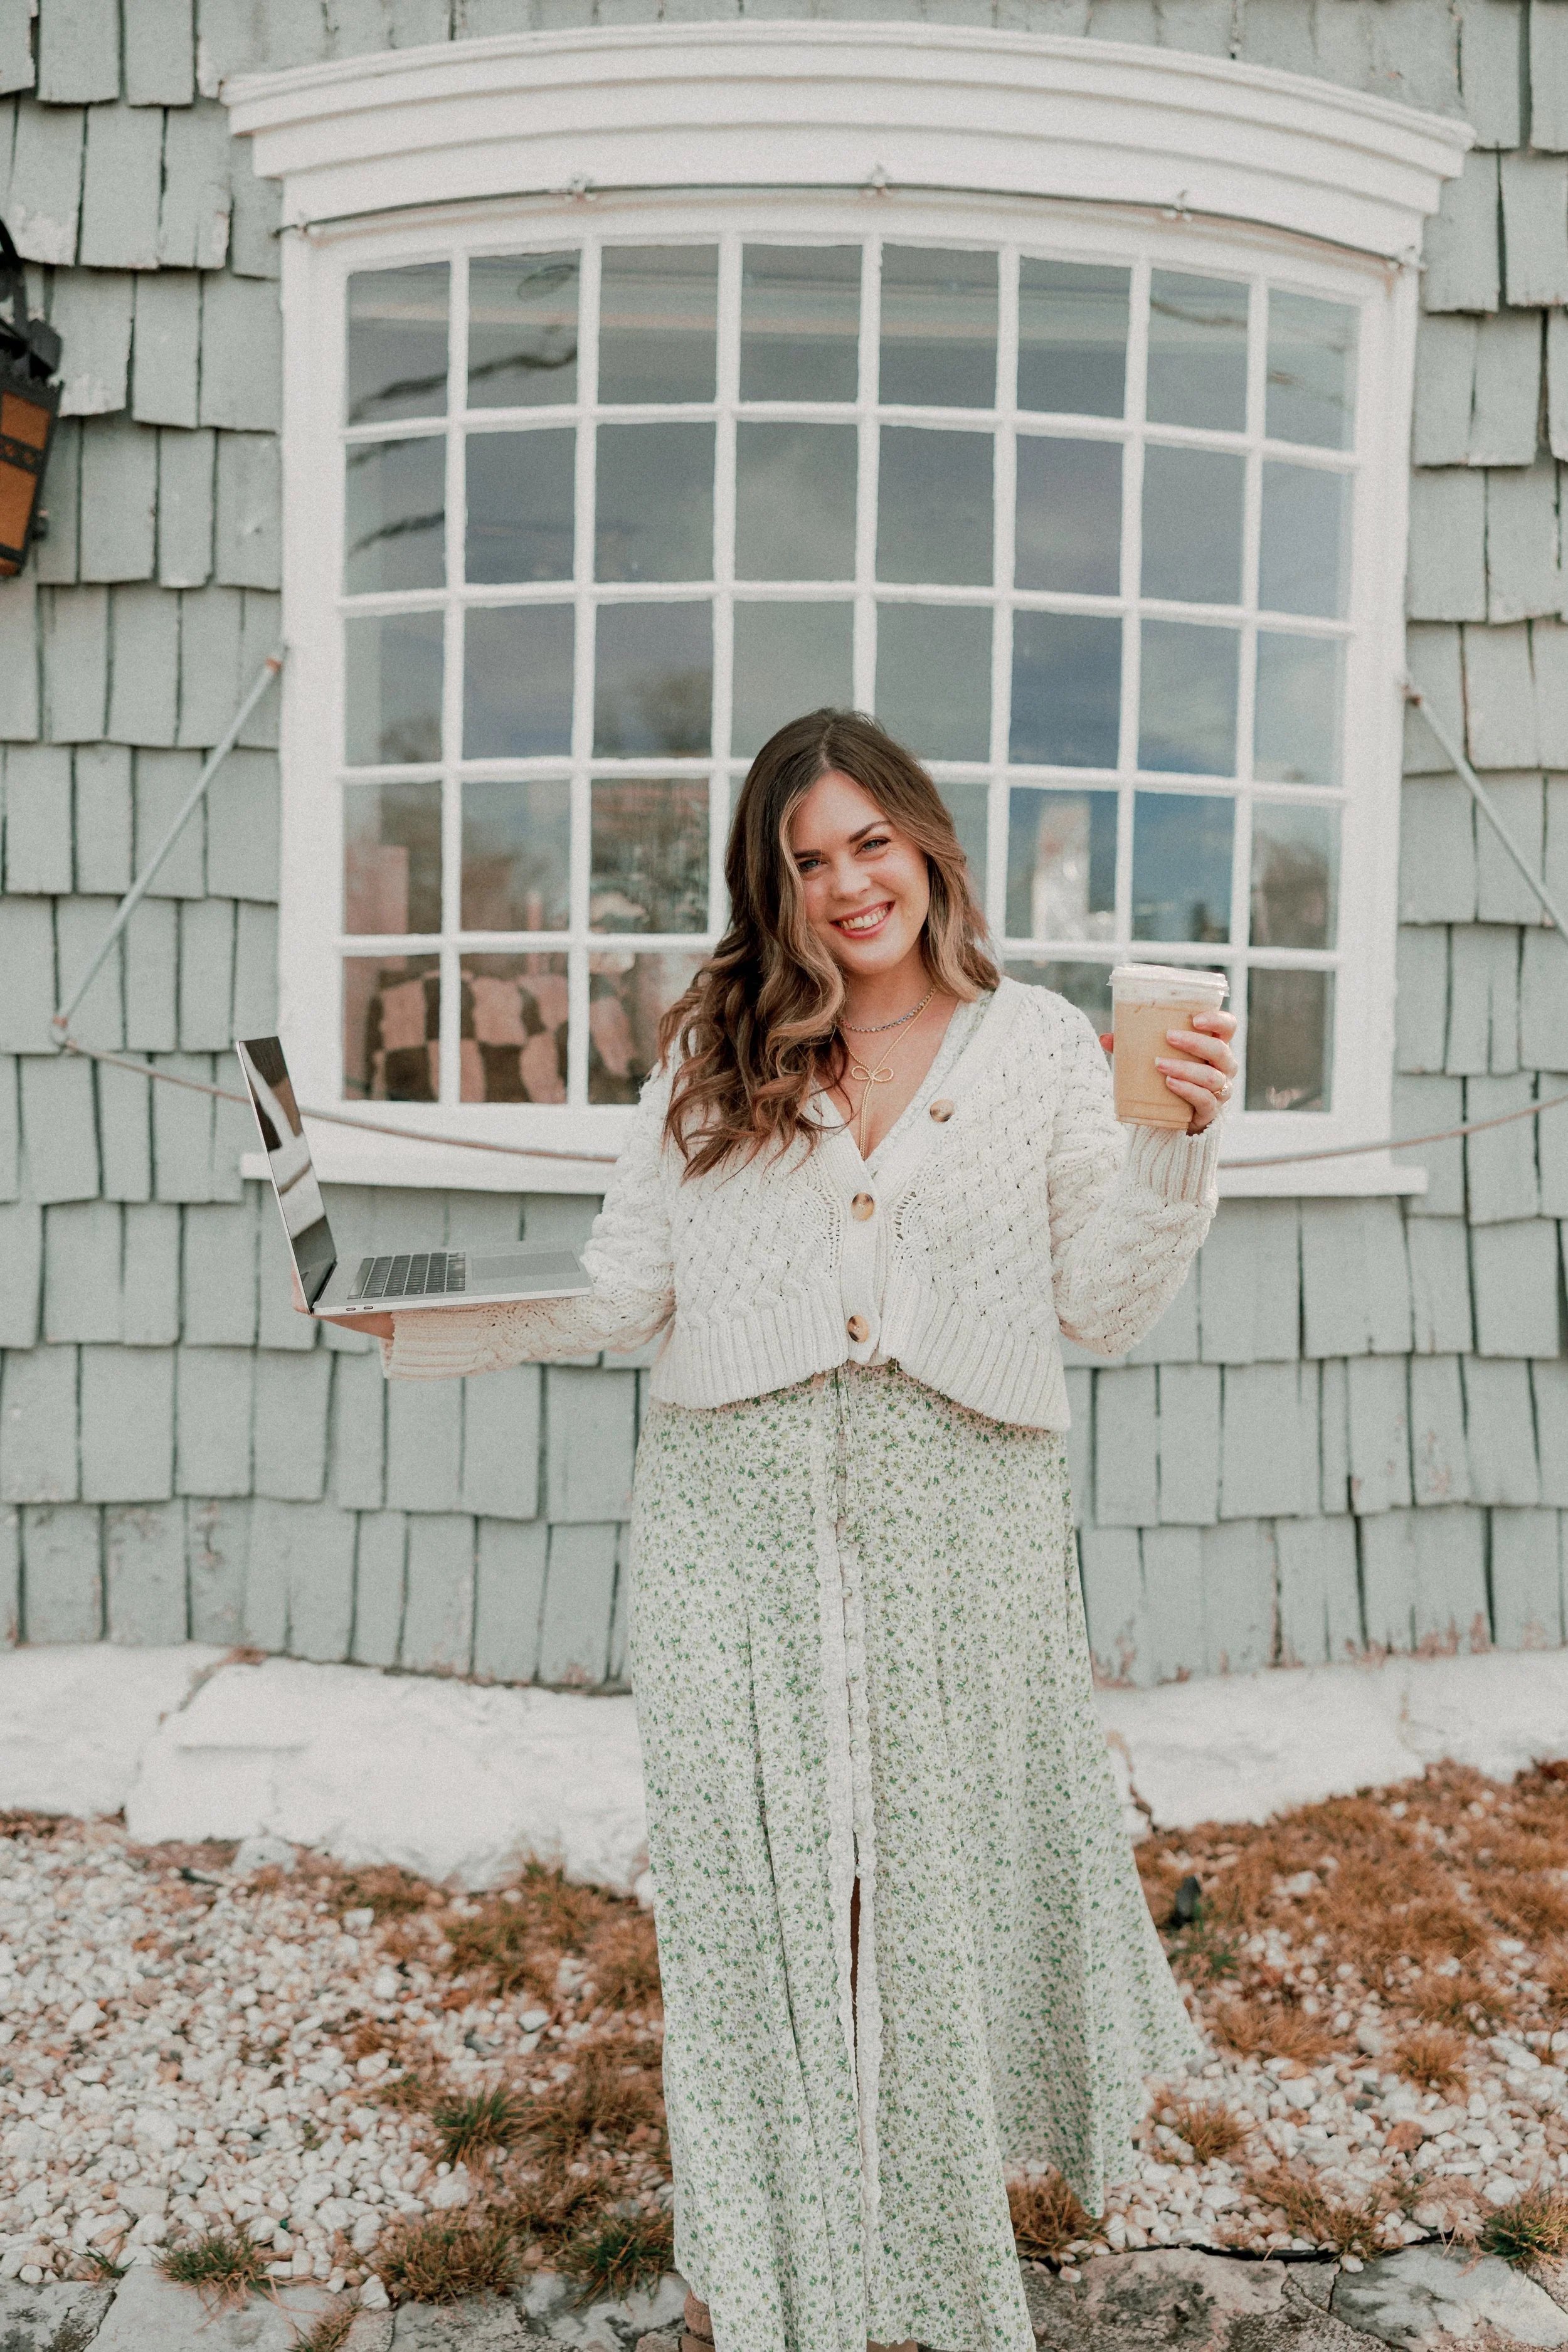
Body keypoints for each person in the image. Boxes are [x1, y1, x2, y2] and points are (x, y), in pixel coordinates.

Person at [329, 709, 1238, 2352]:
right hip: (726, 1536)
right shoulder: (718, 1046)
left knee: (924, 1902)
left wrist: (1176, 1150)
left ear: (925, 843)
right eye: (805, 860)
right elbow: (622, 1285)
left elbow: (1098, 1302)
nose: (843, 886)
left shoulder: (1033, 1045)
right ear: (772, 881)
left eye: (867, 845)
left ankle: (914, 2258)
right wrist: (426, 1316)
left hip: (961, 1531)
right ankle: (763, 2267)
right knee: (761, 1915)